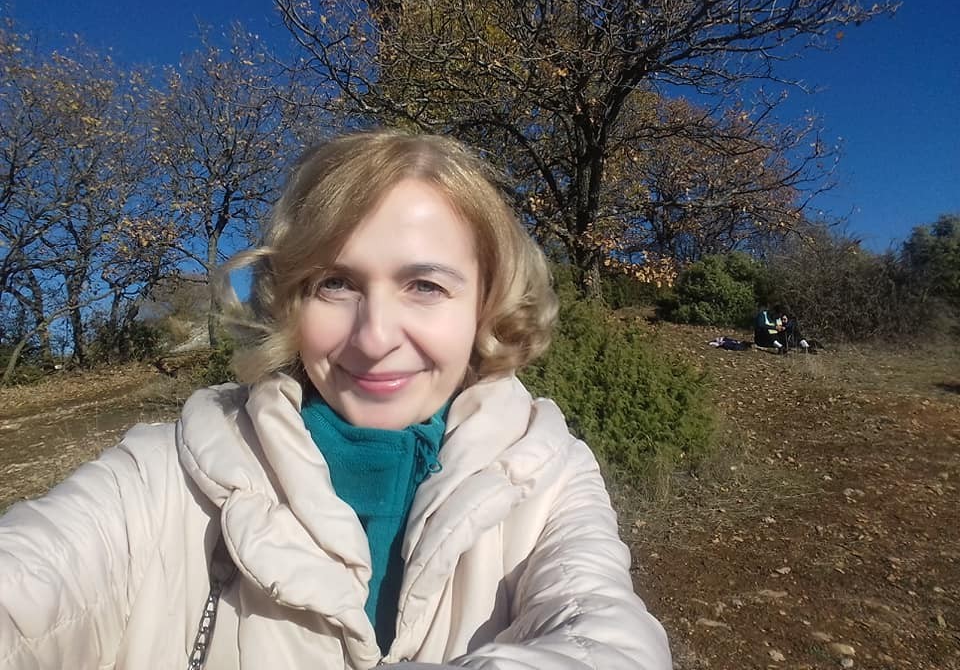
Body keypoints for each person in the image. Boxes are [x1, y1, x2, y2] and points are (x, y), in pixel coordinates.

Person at [0, 130, 671, 669]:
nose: (375, 338)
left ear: (484, 306)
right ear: (292, 300)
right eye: (336, 284)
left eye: (426, 287)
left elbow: (606, 635)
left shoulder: (546, 475)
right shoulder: (160, 476)